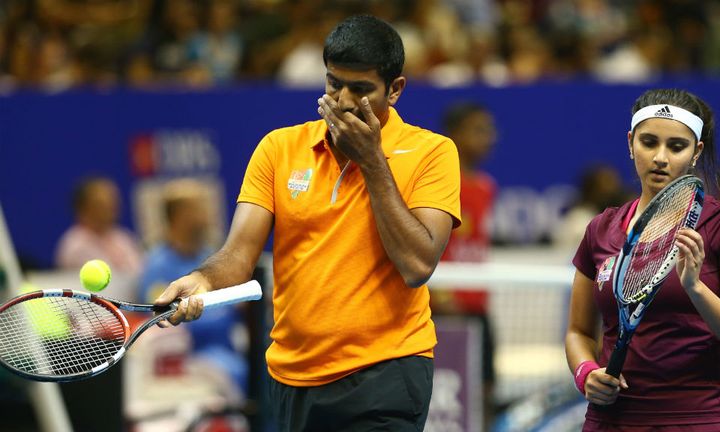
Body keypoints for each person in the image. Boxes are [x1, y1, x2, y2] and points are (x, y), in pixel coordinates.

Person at [154, 15, 461, 432]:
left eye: (362, 89)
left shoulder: (432, 153)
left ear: (396, 90)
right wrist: (203, 280)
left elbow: (417, 264)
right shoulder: (279, 148)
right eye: (335, 84)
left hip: (386, 373)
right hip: (293, 378)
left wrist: (372, 161)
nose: (345, 101)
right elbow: (239, 254)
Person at [565, 88, 720, 431]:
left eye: (676, 146)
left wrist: (695, 288)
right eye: (648, 142)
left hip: (703, 419)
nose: (660, 157)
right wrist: (586, 373)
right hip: (612, 421)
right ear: (630, 143)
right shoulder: (601, 229)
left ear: (696, 151)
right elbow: (578, 331)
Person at [139, 179, 247, 393]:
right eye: (198, 208)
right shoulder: (157, 266)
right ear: (179, 217)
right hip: (188, 362)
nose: (207, 215)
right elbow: (164, 324)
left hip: (229, 351)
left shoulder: (209, 256)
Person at [432, 101, 497, 425]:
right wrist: (441, 297)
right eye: (479, 130)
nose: (490, 138)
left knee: (485, 390)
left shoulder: (486, 187)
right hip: (445, 313)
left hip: (478, 310)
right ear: (454, 134)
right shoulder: (440, 182)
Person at [55, 176, 143, 273]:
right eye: (101, 204)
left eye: (112, 202)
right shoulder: (75, 246)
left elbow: (138, 272)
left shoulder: (123, 237)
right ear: (84, 208)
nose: (110, 209)